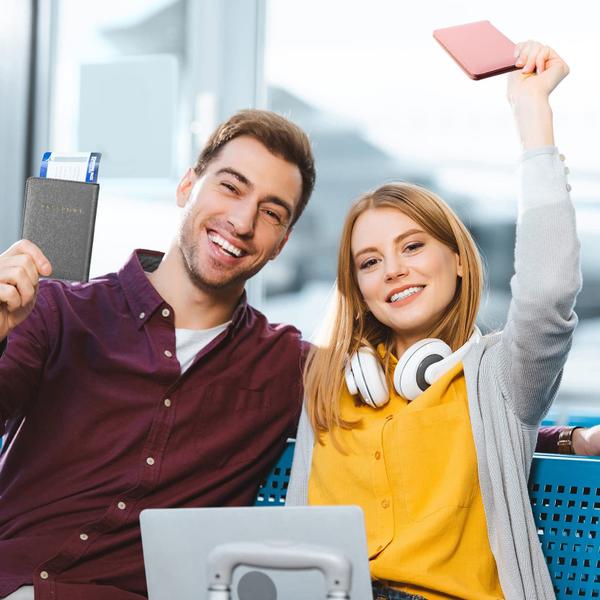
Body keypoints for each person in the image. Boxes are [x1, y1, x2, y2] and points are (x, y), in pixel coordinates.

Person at [287, 41, 580, 600]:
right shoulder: (328, 381)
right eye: (370, 262)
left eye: (413, 246)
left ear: (459, 262)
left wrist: (533, 116)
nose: (393, 270)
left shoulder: (497, 380)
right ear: (358, 289)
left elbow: (548, 291)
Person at [0, 110, 315, 600]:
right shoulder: (56, 311)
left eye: (272, 213)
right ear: (187, 185)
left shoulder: (288, 366)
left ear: (282, 243)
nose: (242, 221)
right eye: (231, 187)